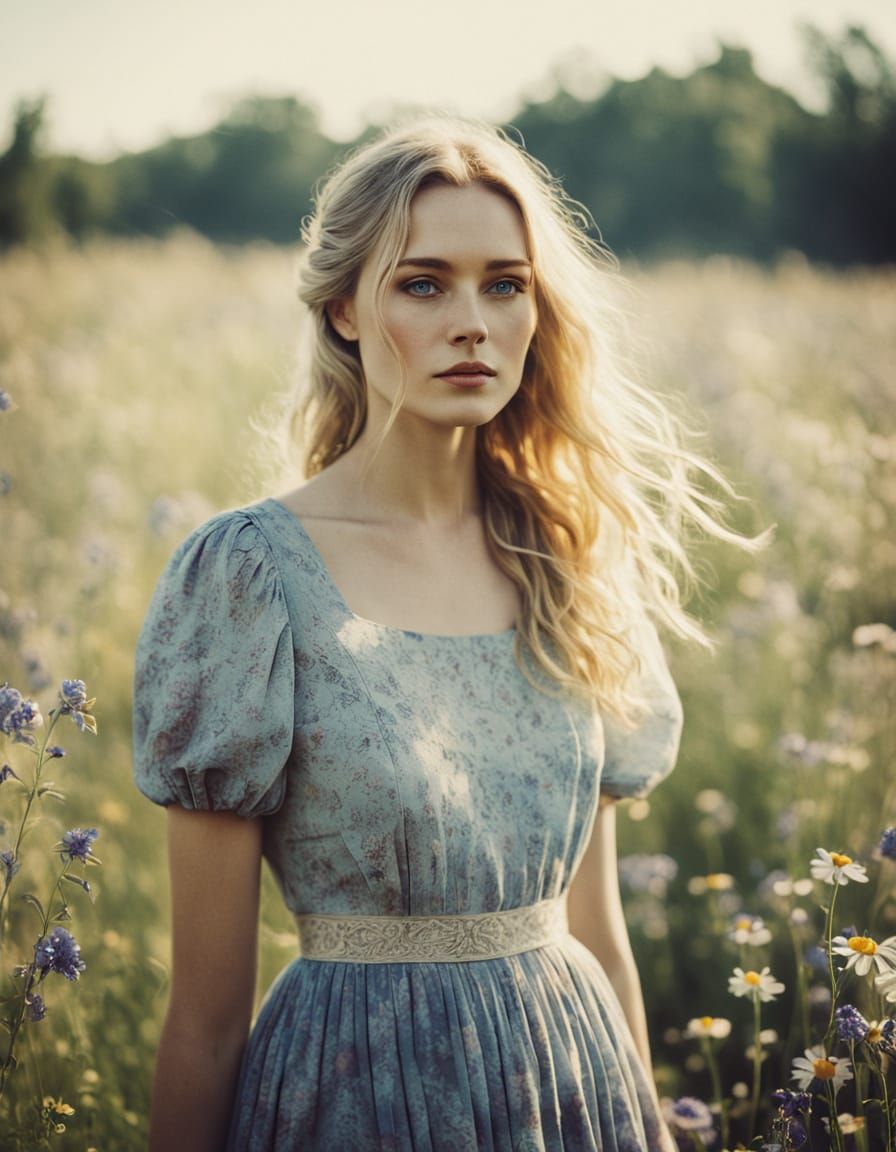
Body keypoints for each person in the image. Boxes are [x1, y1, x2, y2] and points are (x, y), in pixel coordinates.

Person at [133, 113, 768, 1151]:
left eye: (503, 284)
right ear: (344, 309)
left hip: (569, 1085)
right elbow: (203, 1023)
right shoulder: (247, 576)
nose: (470, 321)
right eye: (422, 284)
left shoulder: (566, 557)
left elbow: (598, 936)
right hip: (350, 1094)